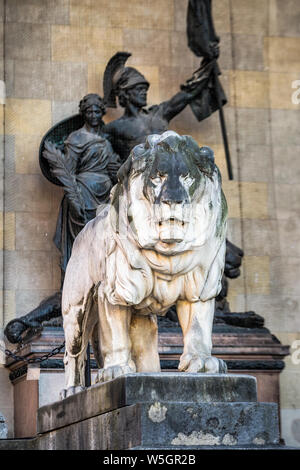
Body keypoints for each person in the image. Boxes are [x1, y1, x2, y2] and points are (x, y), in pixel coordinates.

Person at [48, 93, 121, 274]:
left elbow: (113, 167)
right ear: (84, 113)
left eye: (97, 111)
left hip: (105, 194)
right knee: (83, 241)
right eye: (90, 111)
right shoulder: (76, 138)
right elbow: (68, 171)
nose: (94, 115)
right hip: (84, 193)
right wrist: (74, 199)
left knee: (104, 241)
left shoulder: (105, 140)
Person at [103, 52, 215, 162]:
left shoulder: (159, 114)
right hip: (138, 177)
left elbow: (187, 94)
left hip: (169, 173)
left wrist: (208, 65)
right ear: (126, 93)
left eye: (145, 89)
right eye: (139, 89)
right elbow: (98, 151)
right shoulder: (114, 128)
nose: (144, 92)